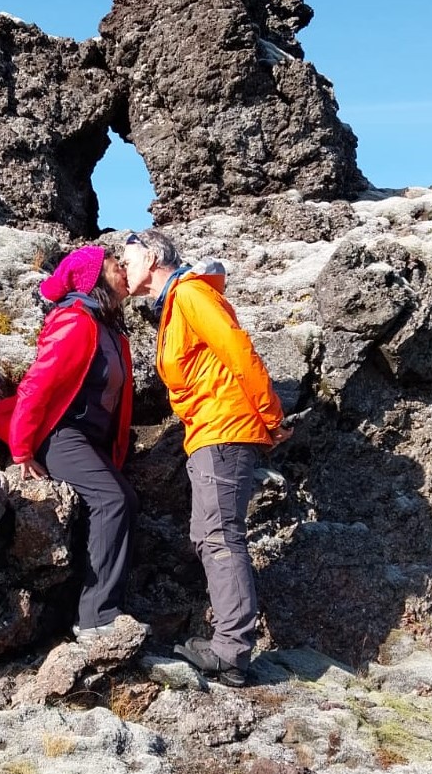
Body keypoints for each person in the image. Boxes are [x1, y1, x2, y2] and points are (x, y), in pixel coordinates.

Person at [122, 229, 292, 685]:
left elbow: (239, 350)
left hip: (223, 429)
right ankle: (228, 645)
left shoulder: (191, 294)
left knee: (218, 536)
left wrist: (271, 417)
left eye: (129, 257)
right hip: (209, 432)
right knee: (208, 533)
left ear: (154, 256)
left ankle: (231, 652)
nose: (123, 266)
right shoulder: (173, 305)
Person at [0, 245, 148, 642]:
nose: (123, 268)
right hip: (60, 434)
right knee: (113, 500)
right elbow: (36, 386)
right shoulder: (75, 321)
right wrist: (21, 449)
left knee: (126, 498)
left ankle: (103, 607)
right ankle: (97, 619)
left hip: (86, 438)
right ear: (91, 279)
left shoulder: (108, 326)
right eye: (114, 265)